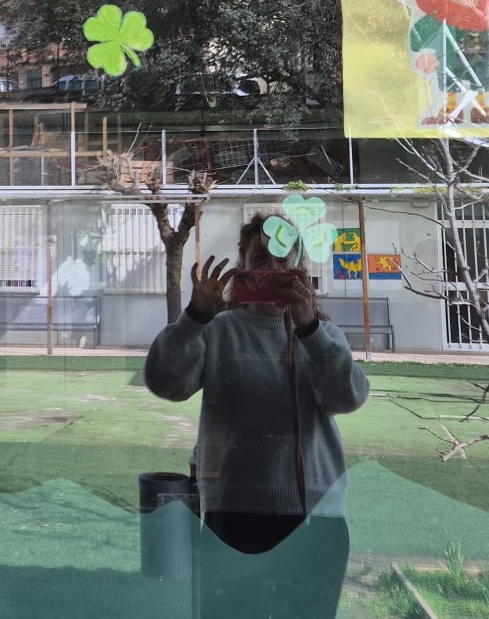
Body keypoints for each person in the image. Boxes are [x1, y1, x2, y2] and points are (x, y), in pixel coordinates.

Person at [145, 216, 370, 618]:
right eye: (260, 258)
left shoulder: (322, 333)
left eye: (283, 259)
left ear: (300, 269)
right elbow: (166, 383)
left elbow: (347, 398)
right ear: (242, 265)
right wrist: (195, 316)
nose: (271, 269)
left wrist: (310, 329)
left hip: (316, 516)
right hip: (234, 513)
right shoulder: (218, 330)